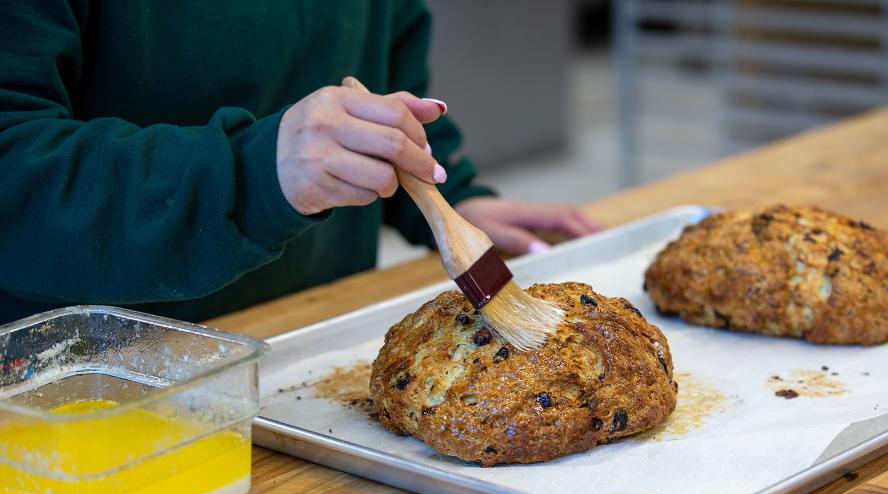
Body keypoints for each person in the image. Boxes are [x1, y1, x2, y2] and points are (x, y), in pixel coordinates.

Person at [0, 1, 601, 325]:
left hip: (312, 357)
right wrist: (255, 174)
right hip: (86, 393)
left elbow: (382, 80)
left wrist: (449, 199)